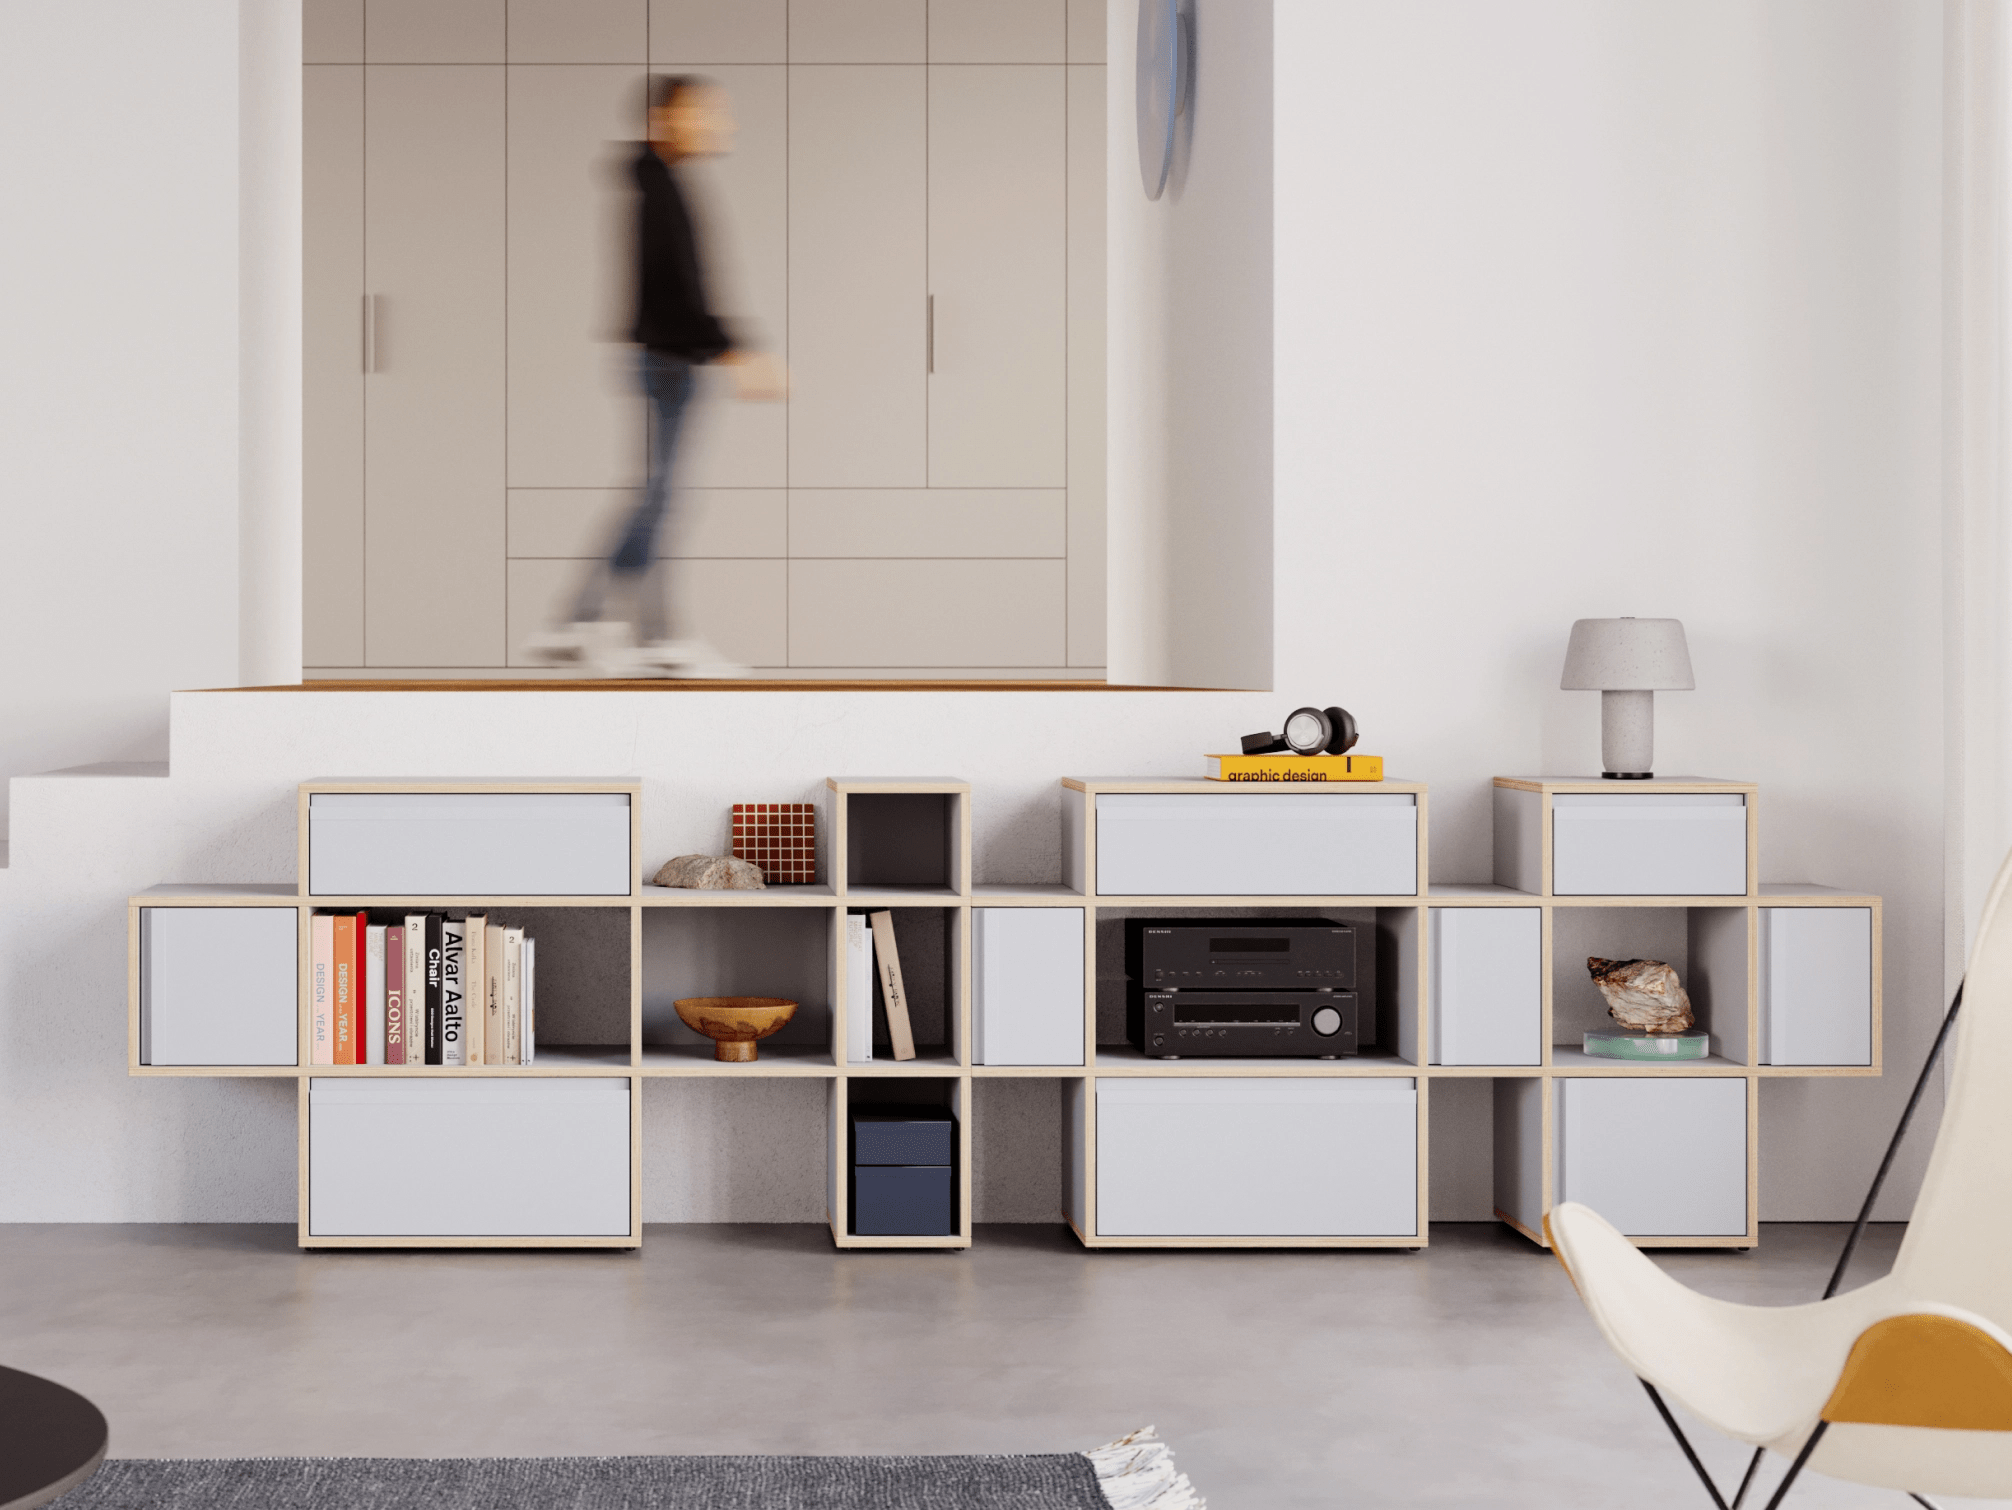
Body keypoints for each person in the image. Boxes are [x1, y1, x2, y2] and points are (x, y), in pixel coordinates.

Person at [528, 75, 783, 676]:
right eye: (708, 113)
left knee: (660, 497)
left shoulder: (659, 184)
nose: (724, 123)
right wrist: (737, 352)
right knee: (659, 497)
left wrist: (728, 349)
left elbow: (681, 292)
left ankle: (634, 634)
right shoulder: (660, 191)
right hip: (669, 360)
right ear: (664, 119)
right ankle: (598, 625)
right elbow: (678, 294)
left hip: (669, 357)